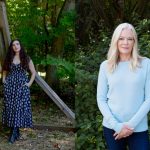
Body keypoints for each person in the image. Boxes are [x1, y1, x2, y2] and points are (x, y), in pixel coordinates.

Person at [97, 23, 150, 150]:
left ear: (134, 42)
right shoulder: (105, 66)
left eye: (129, 39)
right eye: (121, 38)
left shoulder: (146, 64)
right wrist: (117, 126)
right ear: (115, 41)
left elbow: (149, 99)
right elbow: (101, 99)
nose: (125, 42)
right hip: (112, 128)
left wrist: (130, 126)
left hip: (138, 128)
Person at [2, 39, 36, 144]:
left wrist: (29, 84)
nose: (16, 46)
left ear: (20, 45)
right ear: (11, 48)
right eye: (13, 45)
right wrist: (4, 79)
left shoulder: (26, 58)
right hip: (10, 87)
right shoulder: (9, 58)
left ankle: (13, 133)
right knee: (11, 108)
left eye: (17, 44)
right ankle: (15, 132)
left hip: (21, 87)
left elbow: (33, 72)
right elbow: (5, 70)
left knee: (18, 108)